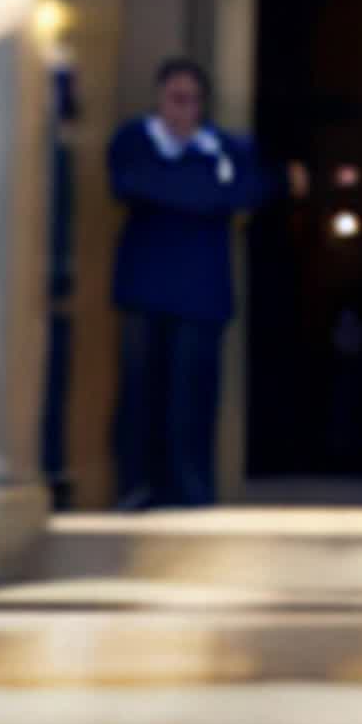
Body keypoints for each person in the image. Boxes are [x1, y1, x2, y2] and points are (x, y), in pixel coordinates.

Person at [108, 57, 308, 509]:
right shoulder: (133, 140)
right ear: (160, 99)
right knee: (141, 394)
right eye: (175, 99)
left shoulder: (228, 148)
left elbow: (248, 192)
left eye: (192, 100)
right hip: (143, 291)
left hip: (202, 296)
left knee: (192, 398)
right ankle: (138, 487)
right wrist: (205, 195)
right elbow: (130, 182)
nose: (184, 109)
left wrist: (181, 190)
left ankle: (191, 491)